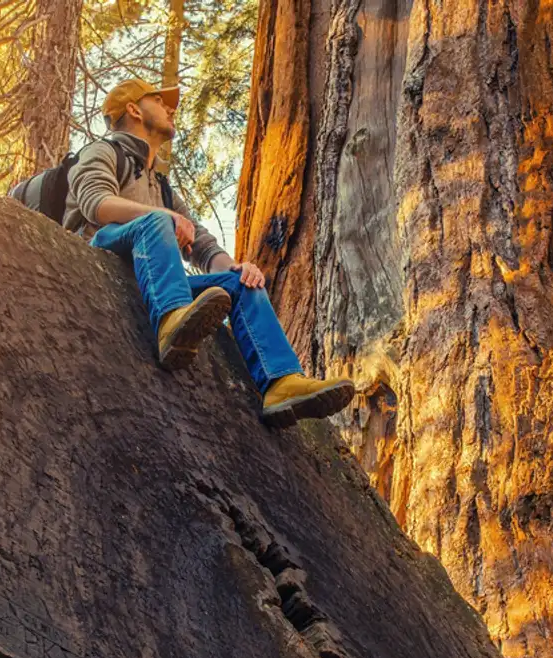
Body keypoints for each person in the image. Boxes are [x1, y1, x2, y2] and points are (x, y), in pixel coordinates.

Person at [66, 79, 356, 427]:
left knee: (239, 284)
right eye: (160, 100)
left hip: (154, 280)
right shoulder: (104, 152)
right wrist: (161, 217)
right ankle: (172, 325)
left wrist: (237, 268)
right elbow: (95, 203)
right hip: (104, 260)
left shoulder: (162, 188)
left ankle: (280, 382)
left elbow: (201, 245)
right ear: (133, 109)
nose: (171, 108)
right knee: (156, 222)